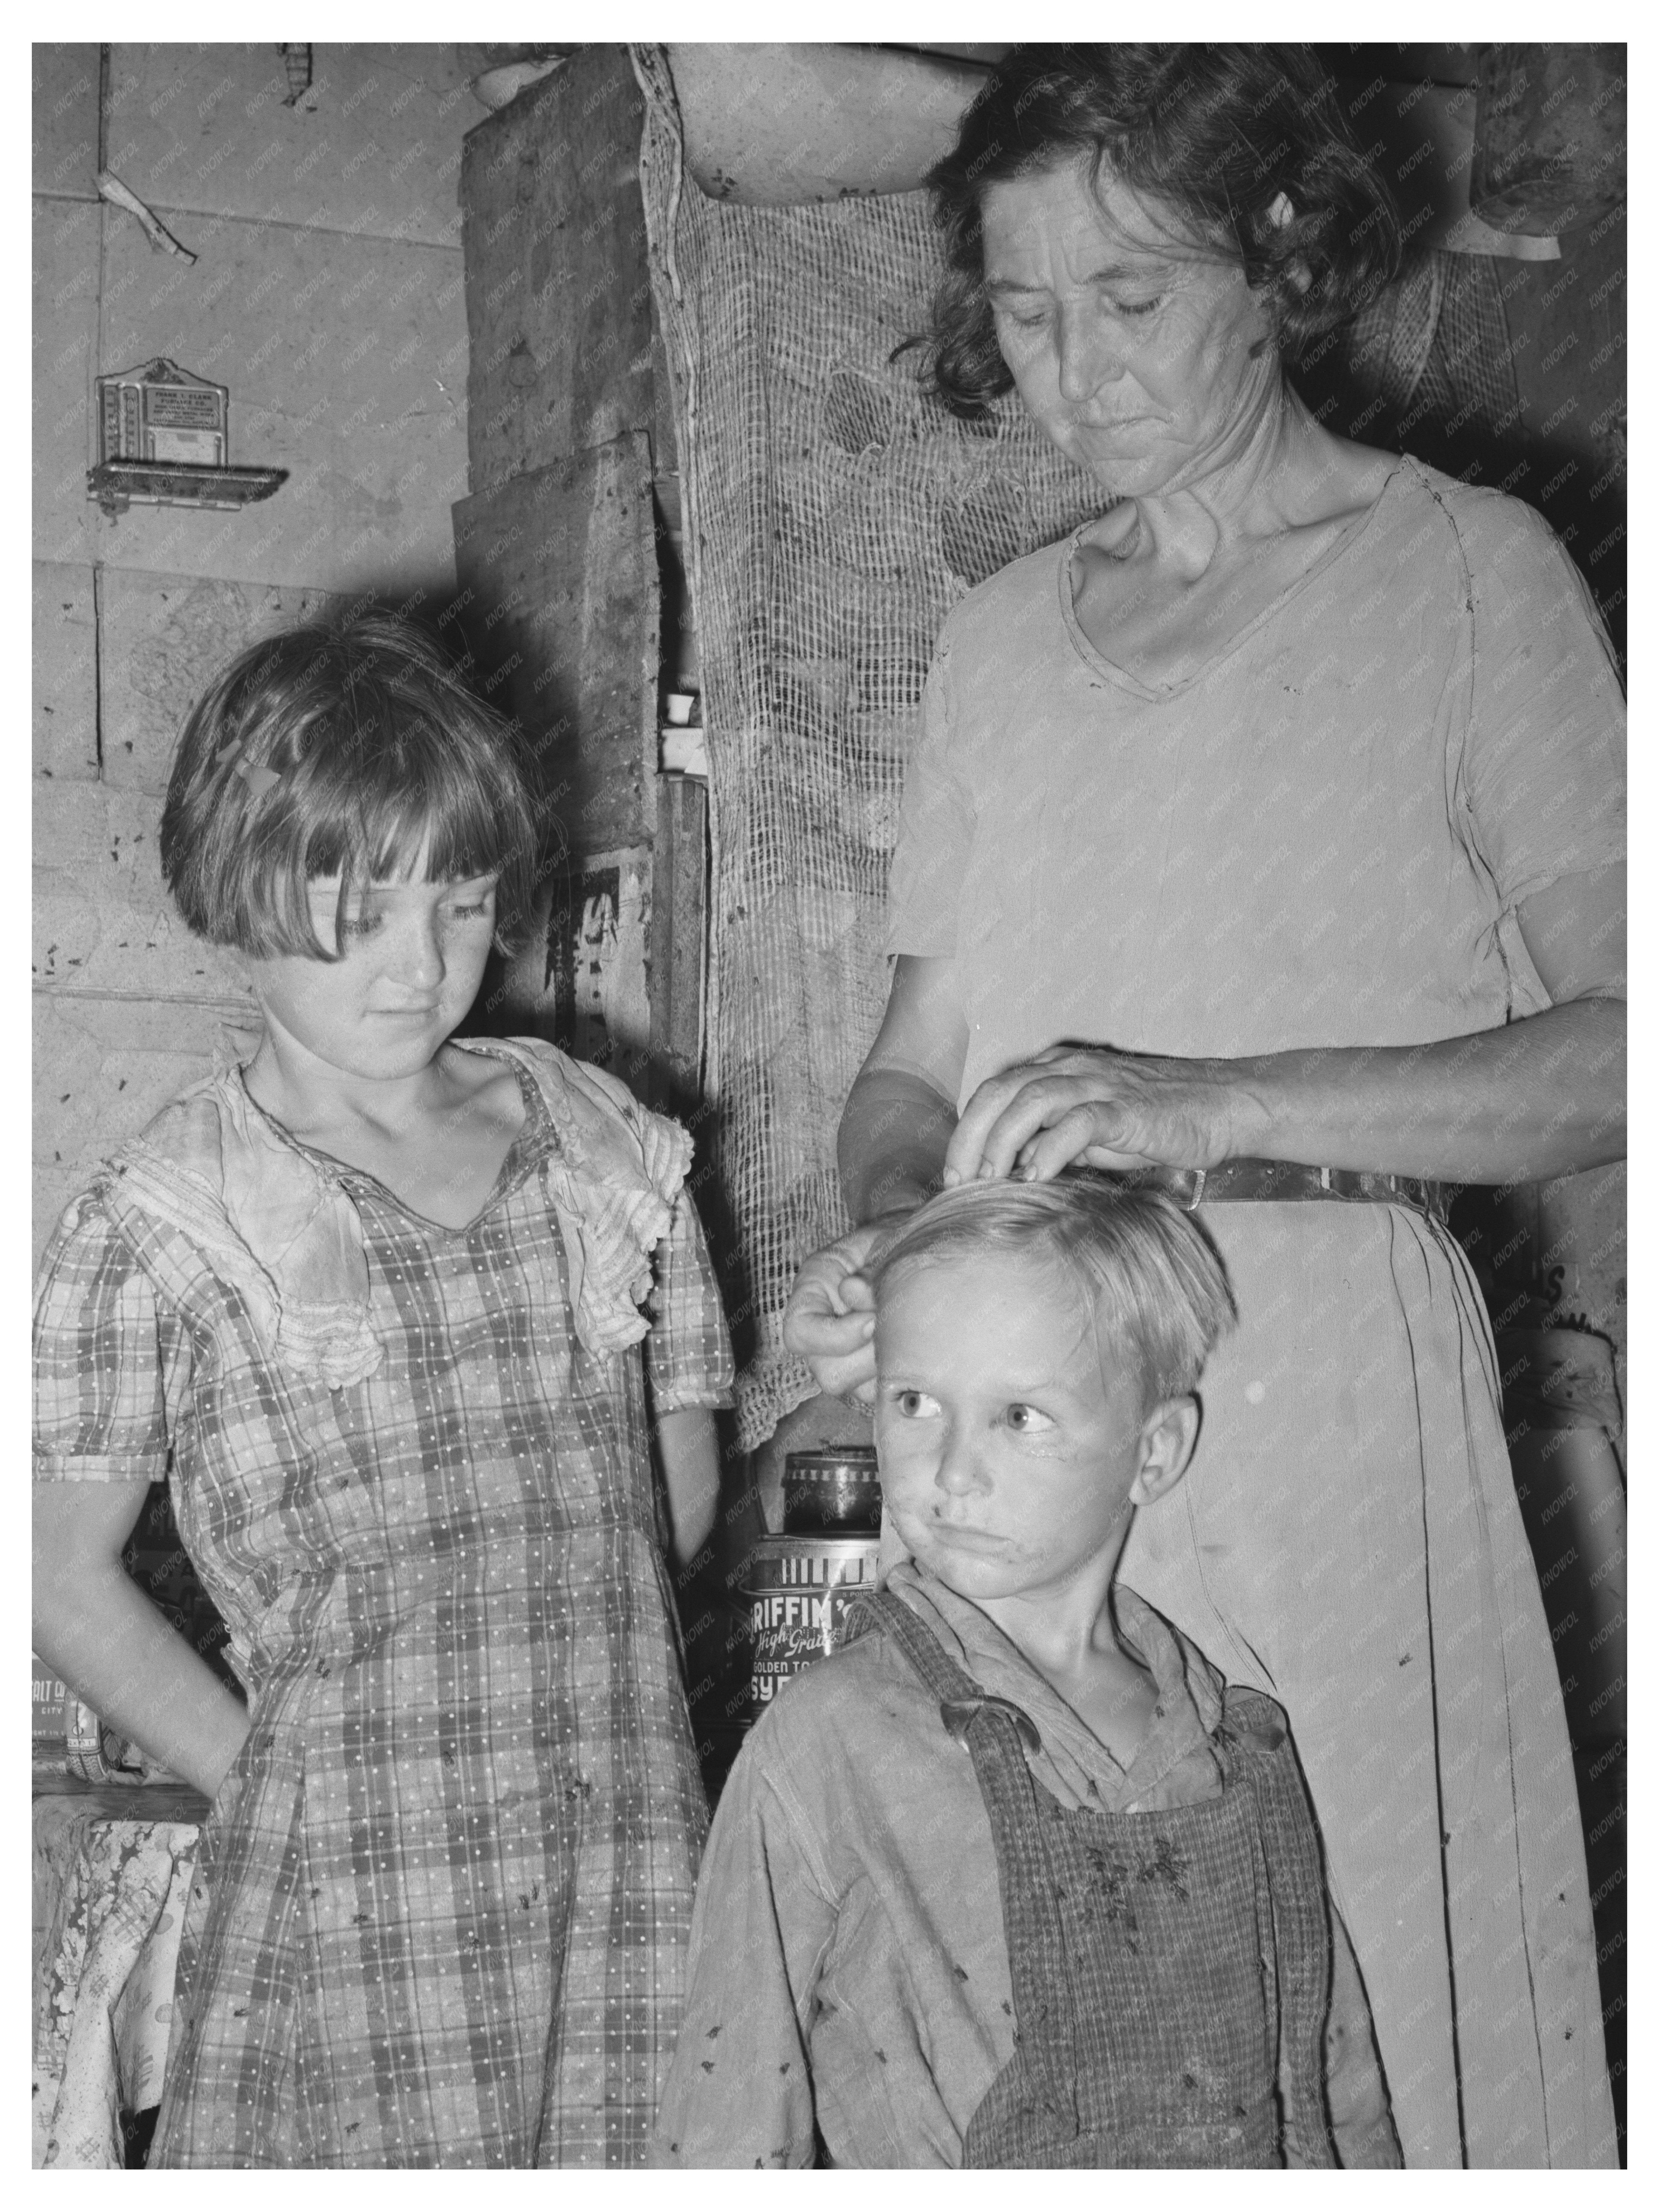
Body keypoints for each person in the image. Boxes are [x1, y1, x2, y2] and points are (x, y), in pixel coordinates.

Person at [783, 46, 1623, 2168]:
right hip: (1032, 1431)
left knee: (1371, 2022)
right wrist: (905, 1238)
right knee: (1055, 2028)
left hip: (1329, 1406)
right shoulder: (988, 647)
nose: (1075, 371)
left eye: (1129, 298)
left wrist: (1199, 1101)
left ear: (1276, 257)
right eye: (1026, 313)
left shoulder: (1466, 574)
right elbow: (904, 1077)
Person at [32, 615, 733, 2167]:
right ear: (233, 905)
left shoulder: (606, 1143)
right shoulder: (165, 1216)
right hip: (350, 1910)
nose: (421, 968)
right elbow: (54, 1572)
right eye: (358, 914)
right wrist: (273, 1779)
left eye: (463, 903)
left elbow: (673, 1498)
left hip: (624, 1875)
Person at [656, 1178, 1400, 2168]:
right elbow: (730, 2109)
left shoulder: (1235, 1741)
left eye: (1020, 1417)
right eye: (916, 1404)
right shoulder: (829, 1740)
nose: (954, 1470)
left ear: (1153, 1450)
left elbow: (1331, 2088)